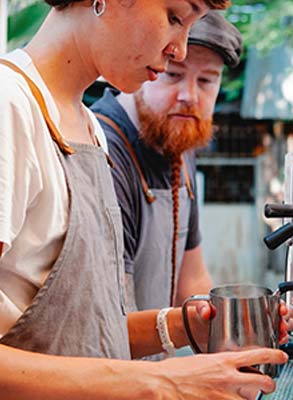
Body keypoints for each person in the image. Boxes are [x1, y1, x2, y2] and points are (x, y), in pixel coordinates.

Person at [0, 1, 289, 399]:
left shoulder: (88, 128)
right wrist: (163, 381)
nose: (179, 48)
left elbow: (78, 337)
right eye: (175, 17)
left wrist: (182, 326)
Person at [91, 13, 240, 321]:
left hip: (152, 364)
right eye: (173, 75)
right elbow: (107, 318)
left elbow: (192, 283)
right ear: (146, 66)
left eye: (206, 80)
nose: (189, 96)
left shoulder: (177, 140)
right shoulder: (103, 150)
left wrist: (239, 325)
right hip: (108, 364)